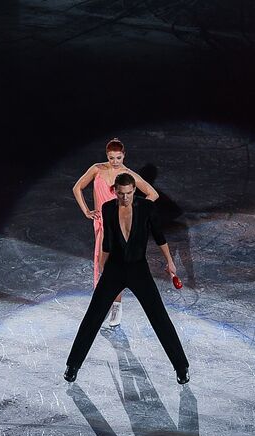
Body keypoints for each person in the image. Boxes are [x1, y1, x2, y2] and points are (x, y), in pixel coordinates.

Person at [64, 173, 188, 384]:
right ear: (115, 192)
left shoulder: (146, 208)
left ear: (134, 191)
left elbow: (159, 236)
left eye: (129, 193)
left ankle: (181, 366)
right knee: (93, 316)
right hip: (114, 269)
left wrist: (170, 261)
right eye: (121, 194)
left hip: (139, 270)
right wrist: (102, 265)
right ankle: (72, 365)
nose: (125, 198)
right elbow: (108, 241)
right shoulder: (108, 208)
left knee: (159, 316)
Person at [71, 138, 160, 327]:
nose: (115, 161)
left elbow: (152, 194)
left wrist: (137, 211)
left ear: (124, 155)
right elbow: (77, 187)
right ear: (107, 156)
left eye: (118, 157)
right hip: (101, 224)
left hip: (119, 226)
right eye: (111, 158)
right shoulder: (97, 169)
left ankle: (116, 307)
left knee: (115, 265)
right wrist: (86, 211)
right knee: (101, 264)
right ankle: (105, 305)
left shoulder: (128, 176)